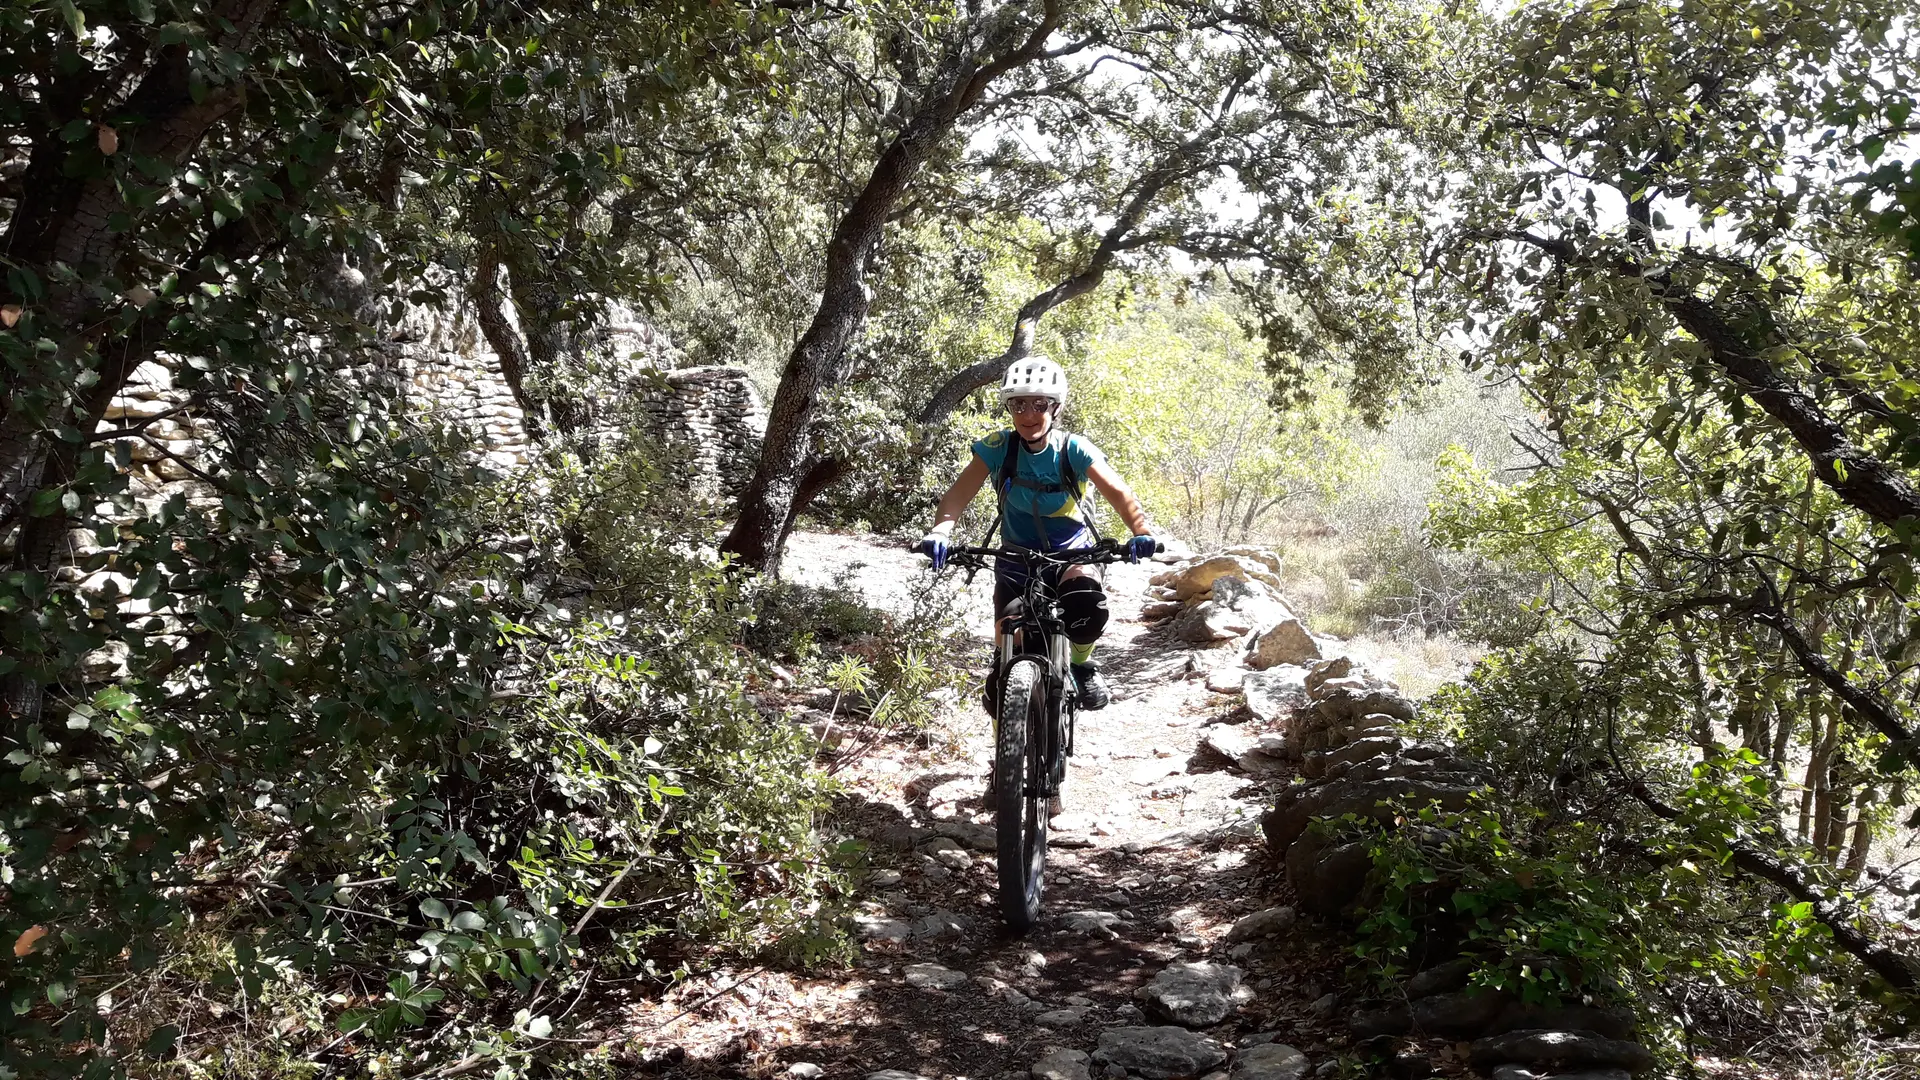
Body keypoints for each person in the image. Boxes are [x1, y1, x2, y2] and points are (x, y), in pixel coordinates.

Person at [915, 357, 1157, 712]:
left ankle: (1081, 665)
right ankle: (1006, 736)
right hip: (1016, 557)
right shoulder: (998, 448)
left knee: (1086, 605)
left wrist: (1140, 531)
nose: (1028, 414)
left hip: (1074, 553)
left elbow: (1119, 493)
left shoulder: (1073, 449)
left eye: (1039, 404)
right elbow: (957, 495)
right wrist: (940, 531)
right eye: (1018, 405)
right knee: (1004, 652)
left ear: (1055, 407)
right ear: (1009, 408)